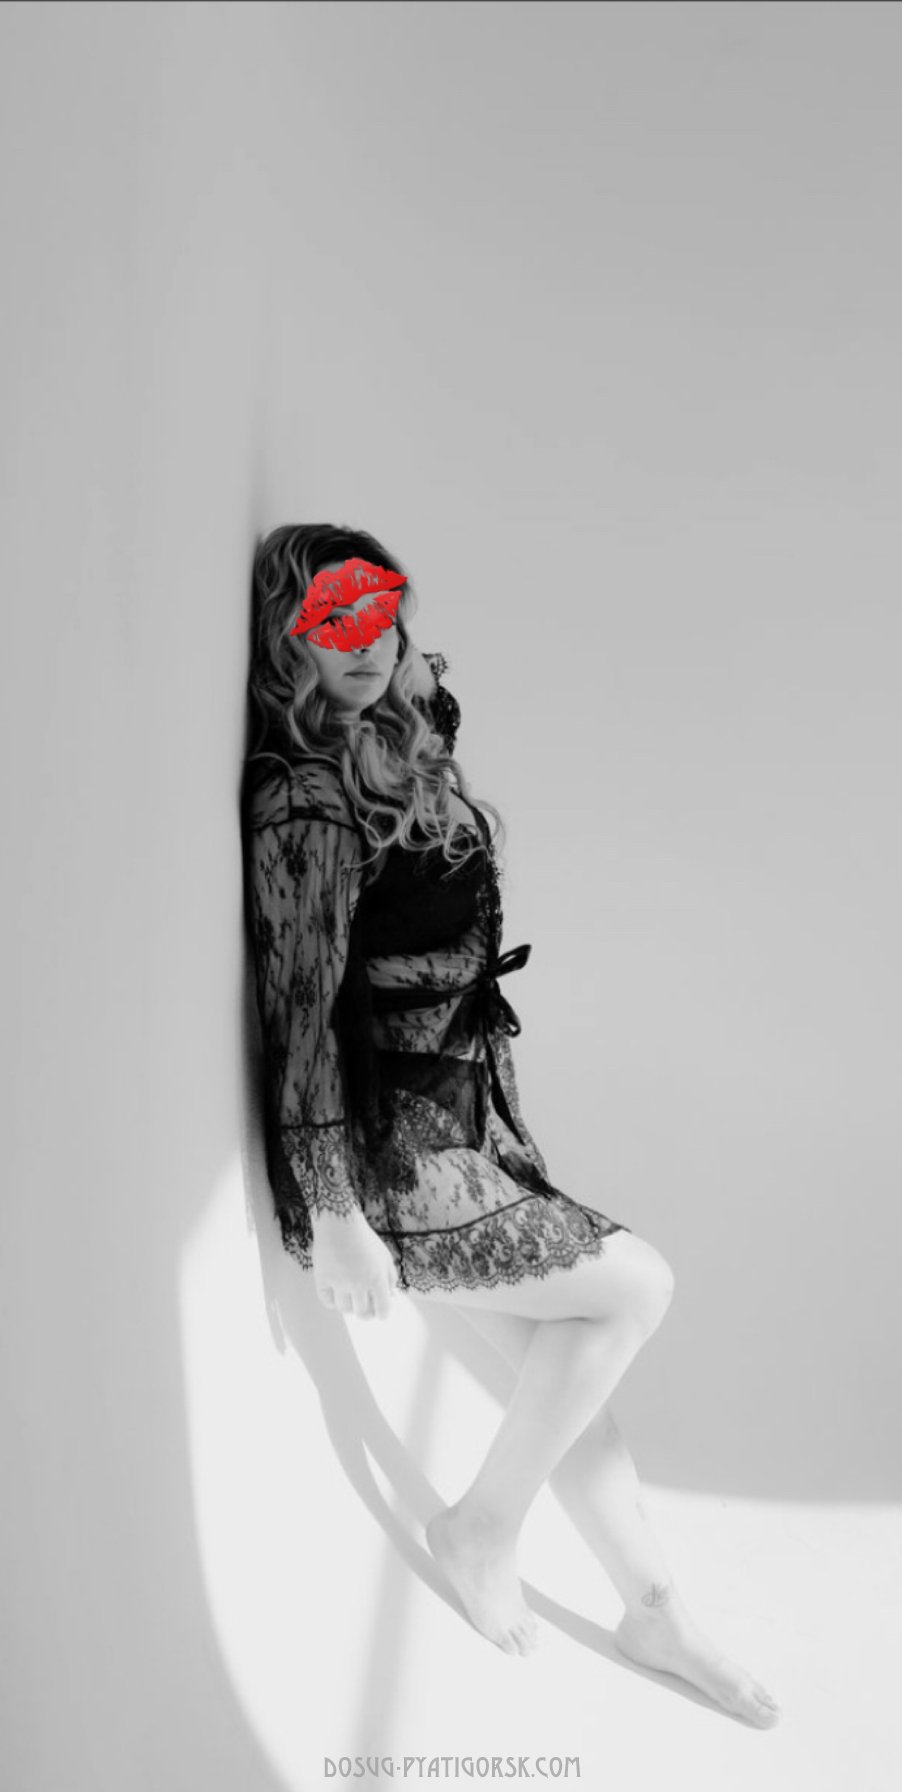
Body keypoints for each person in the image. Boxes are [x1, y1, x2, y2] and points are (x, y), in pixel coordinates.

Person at [240, 523, 781, 1728]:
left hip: (464, 1114)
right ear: (287, 638)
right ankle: (481, 1526)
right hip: (387, 1152)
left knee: (564, 1371)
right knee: (633, 1291)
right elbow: (298, 1016)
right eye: (329, 621)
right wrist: (334, 1212)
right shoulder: (304, 803)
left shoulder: (393, 735)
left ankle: (651, 1604)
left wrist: (418, 700)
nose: (362, 641)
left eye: (378, 611)